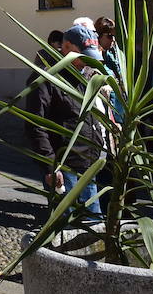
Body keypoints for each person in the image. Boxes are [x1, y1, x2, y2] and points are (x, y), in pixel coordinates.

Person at [25, 36, 106, 218]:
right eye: (84, 56)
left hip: (88, 161)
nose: (87, 62)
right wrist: (49, 166)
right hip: (64, 164)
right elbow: (35, 124)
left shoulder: (86, 75)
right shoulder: (47, 78)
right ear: (67, 47)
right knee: (66, 226)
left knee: (94, 223)